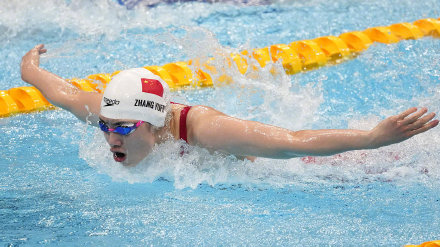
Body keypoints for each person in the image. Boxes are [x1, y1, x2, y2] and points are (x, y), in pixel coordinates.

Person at [20, 44, 439, 166]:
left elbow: (293, 140)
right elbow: (63, 92)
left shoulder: (204, 129)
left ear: (152, 123)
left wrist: (372, 138)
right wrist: (31, 67)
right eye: (106, 126)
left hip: (302, 169)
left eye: (124, 129)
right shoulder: (111, 110)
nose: (110, 134)